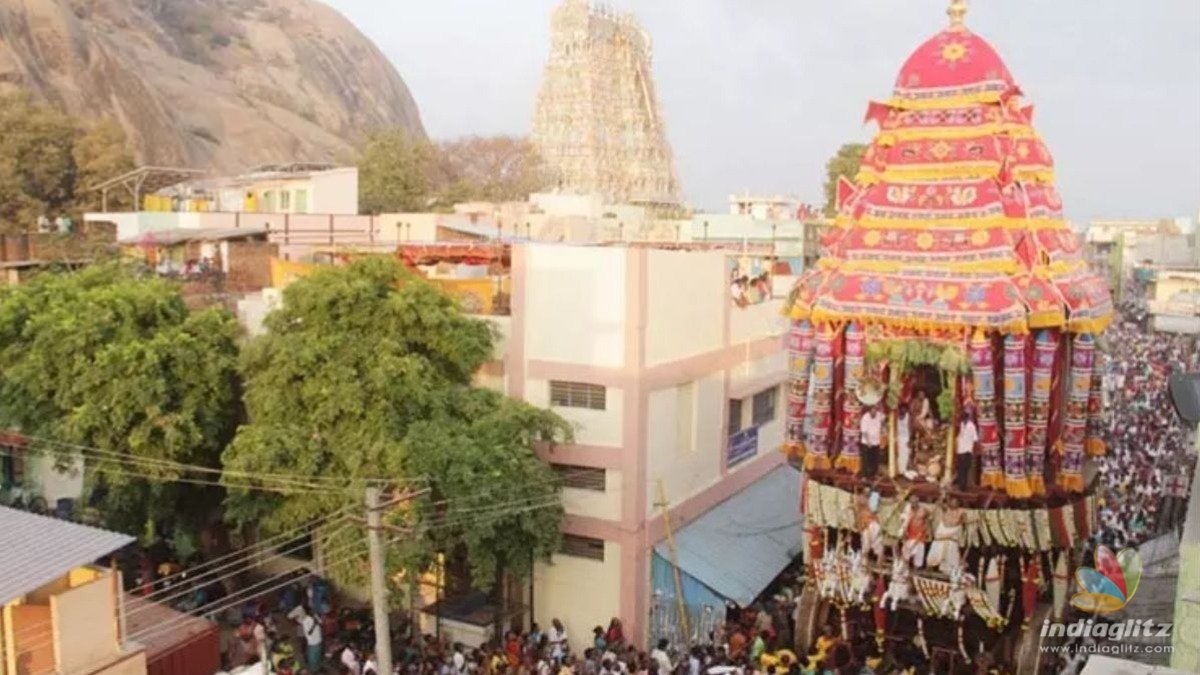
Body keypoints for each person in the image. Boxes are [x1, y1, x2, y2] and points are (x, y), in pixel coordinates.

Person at [955, 411, 979, 492]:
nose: (963, 420)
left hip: (967, 450)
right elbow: (959, 436)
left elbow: (975, 439)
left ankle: (963, 486)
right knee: (960, 468)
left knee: (965, 469)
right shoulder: (961, 425)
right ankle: (960, 485)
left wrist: (975, 449)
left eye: (964, 418)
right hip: (960, 450)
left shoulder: (971, 426)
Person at [859, 405, 884, 478]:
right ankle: (864, 476)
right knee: (866, 460)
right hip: (867, 442)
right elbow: (864, 431)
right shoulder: (865, 418)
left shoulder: (879, 415)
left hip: (876, 441)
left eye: (875, 410)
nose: (874, 412)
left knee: (875, 459)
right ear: (869, 411)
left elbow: (885, 419)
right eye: (873, 410)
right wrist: (868, 441)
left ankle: (874, 474)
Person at [896, 402, 914, 479]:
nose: (903, 411)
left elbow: (909, 428)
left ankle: (903, 471)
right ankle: (899, 471)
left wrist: (910, 439)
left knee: (905, 455)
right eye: (902, 409)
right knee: (898, 454)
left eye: (905, 409)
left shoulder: (908, 416)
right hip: (898, 437)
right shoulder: (896, 416)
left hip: (905, 437)